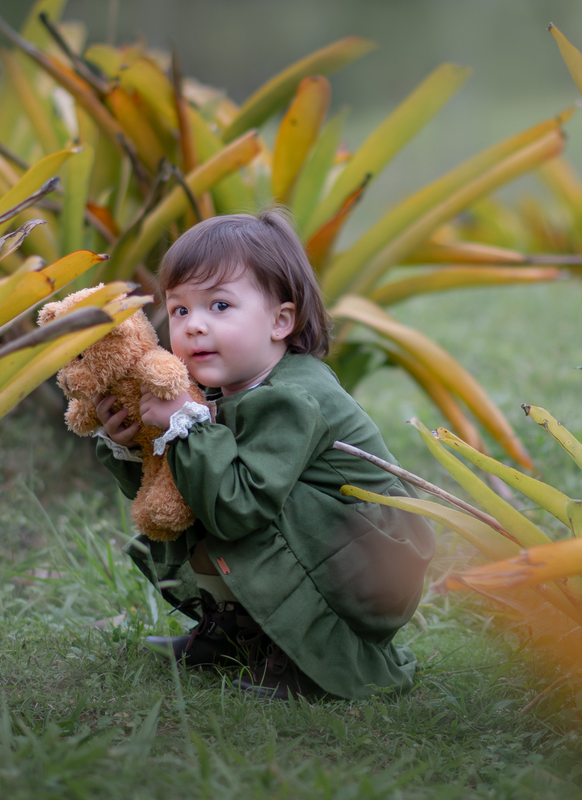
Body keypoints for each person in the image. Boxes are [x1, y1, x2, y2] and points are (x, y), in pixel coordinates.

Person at [92, 209, 435, 700]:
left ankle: (307, 659)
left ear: (280, 321)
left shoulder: (293, 397)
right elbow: (175, 494)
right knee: (201, 478)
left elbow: (237, 508)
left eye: (220, 306)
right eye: (180, 310)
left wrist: (185, 427)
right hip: (333, 548)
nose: (193, 327)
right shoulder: (213, 391)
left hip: (374, 565)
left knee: (233, 491)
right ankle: (242, 633)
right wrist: (137, 444)